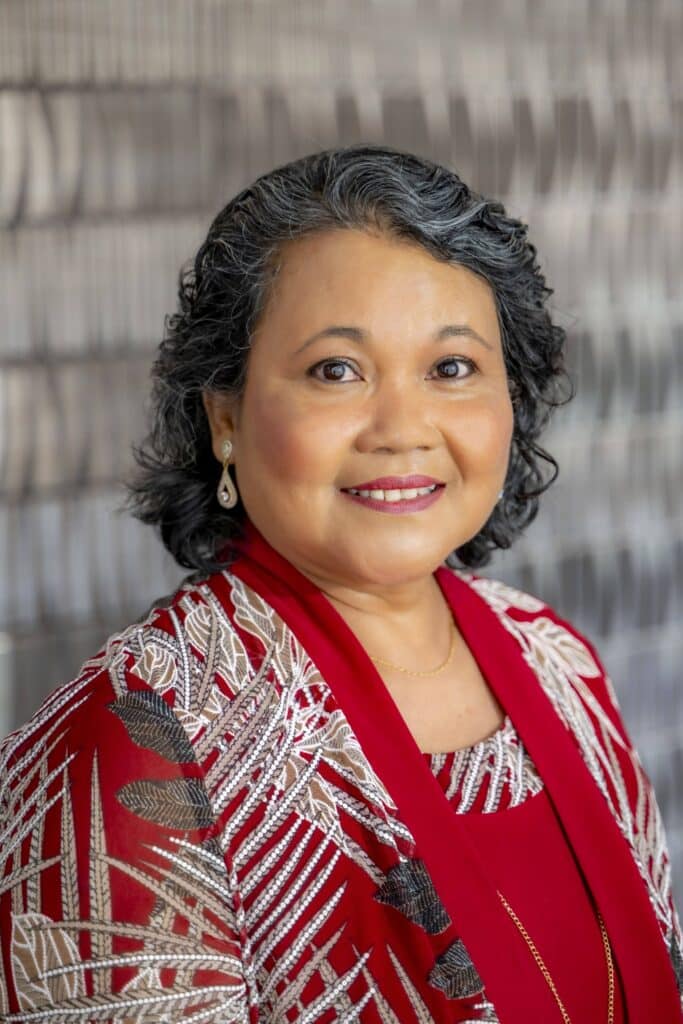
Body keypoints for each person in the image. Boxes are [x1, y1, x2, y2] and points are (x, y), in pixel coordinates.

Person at [0, 143, 680, 1023]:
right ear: (226, 417)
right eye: (336, 371)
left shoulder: (556, 659)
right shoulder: (135, 732)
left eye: (451, 368)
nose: (402, 429)